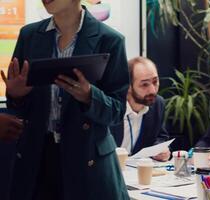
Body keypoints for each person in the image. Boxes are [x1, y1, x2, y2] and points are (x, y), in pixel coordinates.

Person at [0, 0, 129, 199]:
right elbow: (21, 108)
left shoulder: (110, 39)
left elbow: (117, 111)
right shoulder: (30, 36)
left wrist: (89, 96)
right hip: (38, 158)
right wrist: (16, 96)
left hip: (87, 161)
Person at [111, 57, 170, 161]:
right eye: (144, 84)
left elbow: (161, 136)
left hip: (137, 170)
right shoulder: (111, 107)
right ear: (128, 86)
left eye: (155, 82)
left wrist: (161, 150)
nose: (152, 90)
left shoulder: (157, 104)